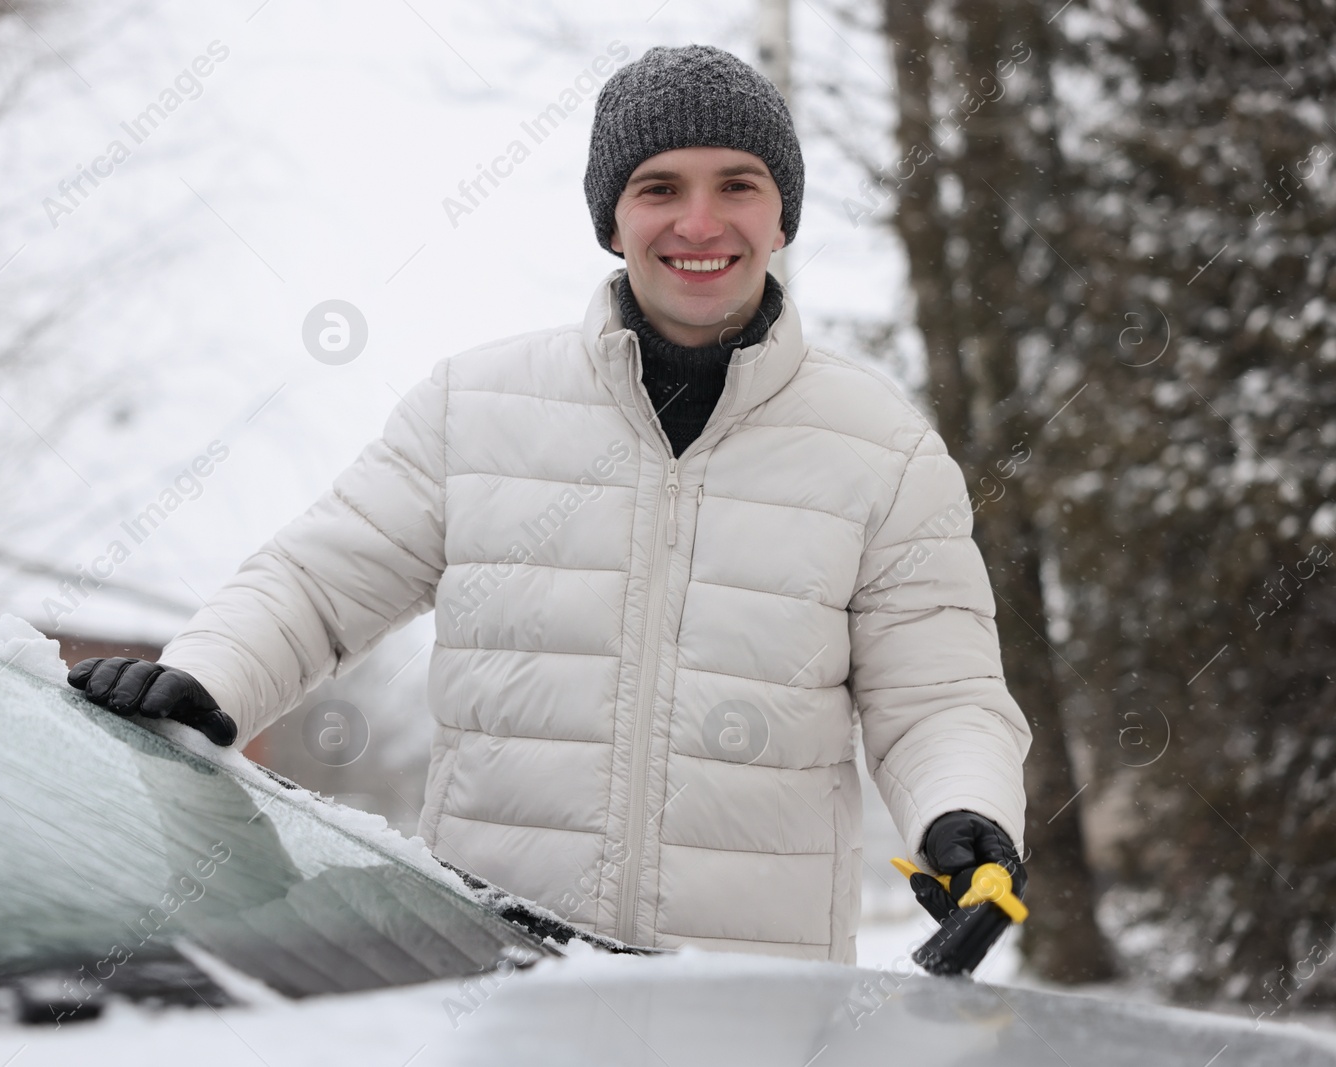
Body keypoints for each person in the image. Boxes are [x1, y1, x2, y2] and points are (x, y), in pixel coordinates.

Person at [69, 44, 1031, 963]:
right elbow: (316, 588)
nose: (700, 223)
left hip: (750, 1002)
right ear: (611, 221)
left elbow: (940, 695)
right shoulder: (475, 411)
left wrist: (967, 816)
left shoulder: (881, 447)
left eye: (738, 184)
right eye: (660, 188)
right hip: (491, 976)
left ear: (784, 216)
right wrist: (206, 680)